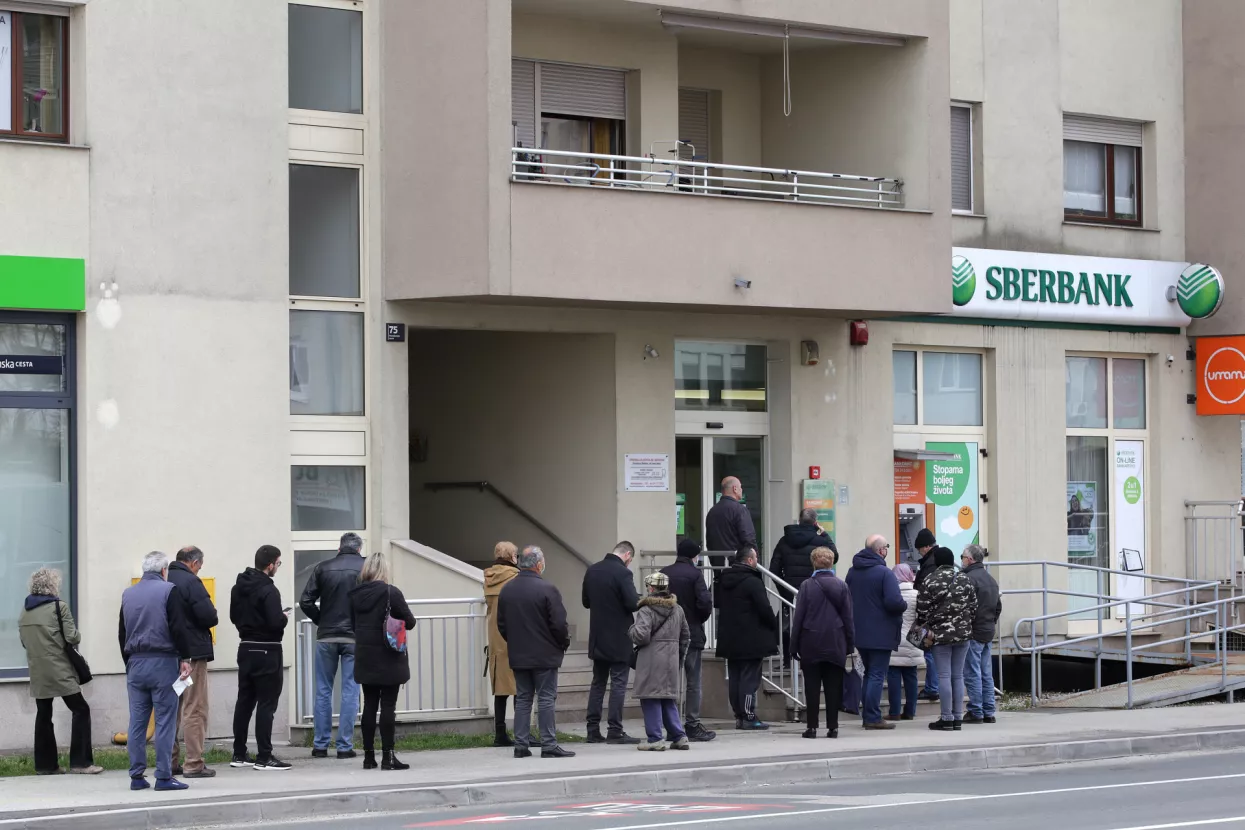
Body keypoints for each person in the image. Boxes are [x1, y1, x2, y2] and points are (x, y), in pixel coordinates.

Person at [119, 551, 193, 791]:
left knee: (137, 723)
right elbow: (178, 627)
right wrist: (185, 658)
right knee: (164, 722)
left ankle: (136, 776)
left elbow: (122, 633)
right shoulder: (168, 590)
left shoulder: (128, 594)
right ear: (164, 571)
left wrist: (129, 662)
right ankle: (163, 776)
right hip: (163, 661)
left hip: (135, 664)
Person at [19, 568, 102, 775]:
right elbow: (73, 637)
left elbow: (24, 642)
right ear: (53, 585)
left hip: (38, 670)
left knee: (44, 715)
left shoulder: (25, 611)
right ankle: (81, 763)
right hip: (60, 669)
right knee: (81, 710)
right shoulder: (59, 607)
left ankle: (45, 766)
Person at [498, 545, 575, 759]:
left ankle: (521, 745)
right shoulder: (548, 589)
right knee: (546, 698)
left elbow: (502, 625)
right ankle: (549, 744)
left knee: (523, 698)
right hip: (545, 655)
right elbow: (559, 624)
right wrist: (562, 643)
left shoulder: (507, 590)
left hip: (519, 654)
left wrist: (516, 643)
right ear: (539, 564)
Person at [299, 532, 366, 760]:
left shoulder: (323, 567)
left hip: (326, 636)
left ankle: (320, 745)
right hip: (354, 638)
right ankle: (345, 747)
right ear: (359, 549)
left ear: (339, 548)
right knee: (350, 690)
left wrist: (321, 619)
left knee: (323, 690)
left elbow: (305, 600)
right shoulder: (365, 567)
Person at [349, 552, 417, 770]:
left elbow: (352, 625)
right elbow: (410, 621)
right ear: (384, 570)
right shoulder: (391, 593)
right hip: (389, 656)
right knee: (388, 705)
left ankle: (369, 757)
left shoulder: (354, 595)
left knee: (369, 705)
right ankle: (388, 757)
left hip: (365, 655)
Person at [230, 545, 291, 771]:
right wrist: (283, 617)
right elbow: (275, 622)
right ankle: (264, 756)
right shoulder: (269, 589)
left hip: (245, 647)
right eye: (278, 563)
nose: (277, 567)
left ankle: (239, 753)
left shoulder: (238, 587)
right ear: (270, 565)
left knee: (244, 701)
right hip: (268, 649)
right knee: (267, 703)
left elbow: (233, 616)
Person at [790, 547, 854, 739]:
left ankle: (811, 727)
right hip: (836, 642)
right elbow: (848, 618)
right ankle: (833, 727)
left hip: (811, 642)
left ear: (814, 562)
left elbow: (798, 618)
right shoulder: (842, 586)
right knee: (833, 686)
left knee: (811, 687)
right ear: (831, 562)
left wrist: (793, 645)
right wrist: (850, 643)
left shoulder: (807, 586)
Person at [581, 541, 641, 744]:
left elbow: (586, 602)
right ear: (627, 556)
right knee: (618, 684)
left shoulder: (592, 570)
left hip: (598, 637)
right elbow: (633, 603)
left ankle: (592, 729)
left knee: (598, 683)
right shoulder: (623, 573)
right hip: (619, 638)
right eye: (630, 560)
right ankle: (615, 730)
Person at [844, 535, 907, 730]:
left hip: (859, 632)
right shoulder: (885, 573)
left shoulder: (852, 572)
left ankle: (868, 715)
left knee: (870, 673)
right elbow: (893, 602)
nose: (887, 550)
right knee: (877, 674)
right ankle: (872, 717)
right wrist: (903, 604)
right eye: (886, 547)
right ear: (881, 551)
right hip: (881, 633)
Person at [166, 546, 219, 778]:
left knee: (170, 710)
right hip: (193, 655)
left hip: (167, 655)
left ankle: (170, 761)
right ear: (194, 563)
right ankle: (194, 763)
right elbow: (209, 616)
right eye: (200, 566)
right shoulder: (191, 583)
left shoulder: (165, 580)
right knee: (194, 708)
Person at [916, 547, 978, 731]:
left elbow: (922, 610)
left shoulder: (930, 580)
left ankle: (946, 718)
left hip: (940, 635)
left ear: (937, 562)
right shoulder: (965, 579)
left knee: (944, 675)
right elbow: (974, 607)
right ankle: (958, 717)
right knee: (957, 675)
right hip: (964, 634)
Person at [716, 545, 778, 730]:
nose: (757, 560)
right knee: (750, 679)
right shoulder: (752, 581)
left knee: (735, 677)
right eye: (756, 557)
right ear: (750, 560)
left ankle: (739, 715)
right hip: (751, 637)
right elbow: (764, 608)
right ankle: (748, 715)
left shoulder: (724, 580)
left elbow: (716, 603)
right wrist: (773, 625)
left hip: (730, 637)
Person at [660, 538, 716, 742]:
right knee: (693, 681)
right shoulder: (695, 574)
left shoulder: (664, 572)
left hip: (667, 634)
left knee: (669, 681)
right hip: (691, 632)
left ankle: (670, 725)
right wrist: (696, 620)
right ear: (694, 556)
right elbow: (705, 602)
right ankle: (691, 724)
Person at [629, 572, 691, 751]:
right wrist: (678, 656)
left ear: (651, 588)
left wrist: (631, 629)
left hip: (651, 658)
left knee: (650, 698)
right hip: (671, 658)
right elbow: (686, 635)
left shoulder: (646, 610)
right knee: (667, 698)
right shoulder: (677, 609)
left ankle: (655, 738)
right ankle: (679, 736)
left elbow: (641, 635)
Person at [483, 541, 520, 747]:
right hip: (514, 635)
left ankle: (500, 733)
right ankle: (522, 731)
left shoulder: (488, 577)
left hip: (495, 638)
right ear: (511, 556)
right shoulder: (515, 577)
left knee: (500, 688)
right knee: (519, 687)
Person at [961, 545, 1002, 725]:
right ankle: (989, 711)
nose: (961, 560)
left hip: (973, 631)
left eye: (962, 557)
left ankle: (976, 710)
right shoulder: (991, 579)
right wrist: (990, 622)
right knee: (986, 673)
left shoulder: (967, 579)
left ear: (970, 559)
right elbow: (998, 607)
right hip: (988, 630)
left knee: (972, 672)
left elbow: (964, 607)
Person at [886, 563, 922, 722]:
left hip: (893, 639)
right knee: (911, 676)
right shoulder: (917, 594)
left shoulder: (891, 594)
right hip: (912, 640)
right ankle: (910, 711)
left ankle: (894, 712)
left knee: (893, 676)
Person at [911, 529, 940, 702]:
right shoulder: (935, 559)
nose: (919, 552)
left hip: (930, 615)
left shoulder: (930, 563)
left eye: (920, 548)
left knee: (930, 652)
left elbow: (923, 590)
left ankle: (932, 688)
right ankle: (934, 686)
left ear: (927, 546)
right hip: (939, 614)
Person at [705, 477, 757, 562]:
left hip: (719, 567)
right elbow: (749, 539)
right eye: (740, 487)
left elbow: (710, 542)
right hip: (738, 567)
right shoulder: (739, 510)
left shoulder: (712, 512)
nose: (742, 490)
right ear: (735, 489)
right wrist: (754, 561)